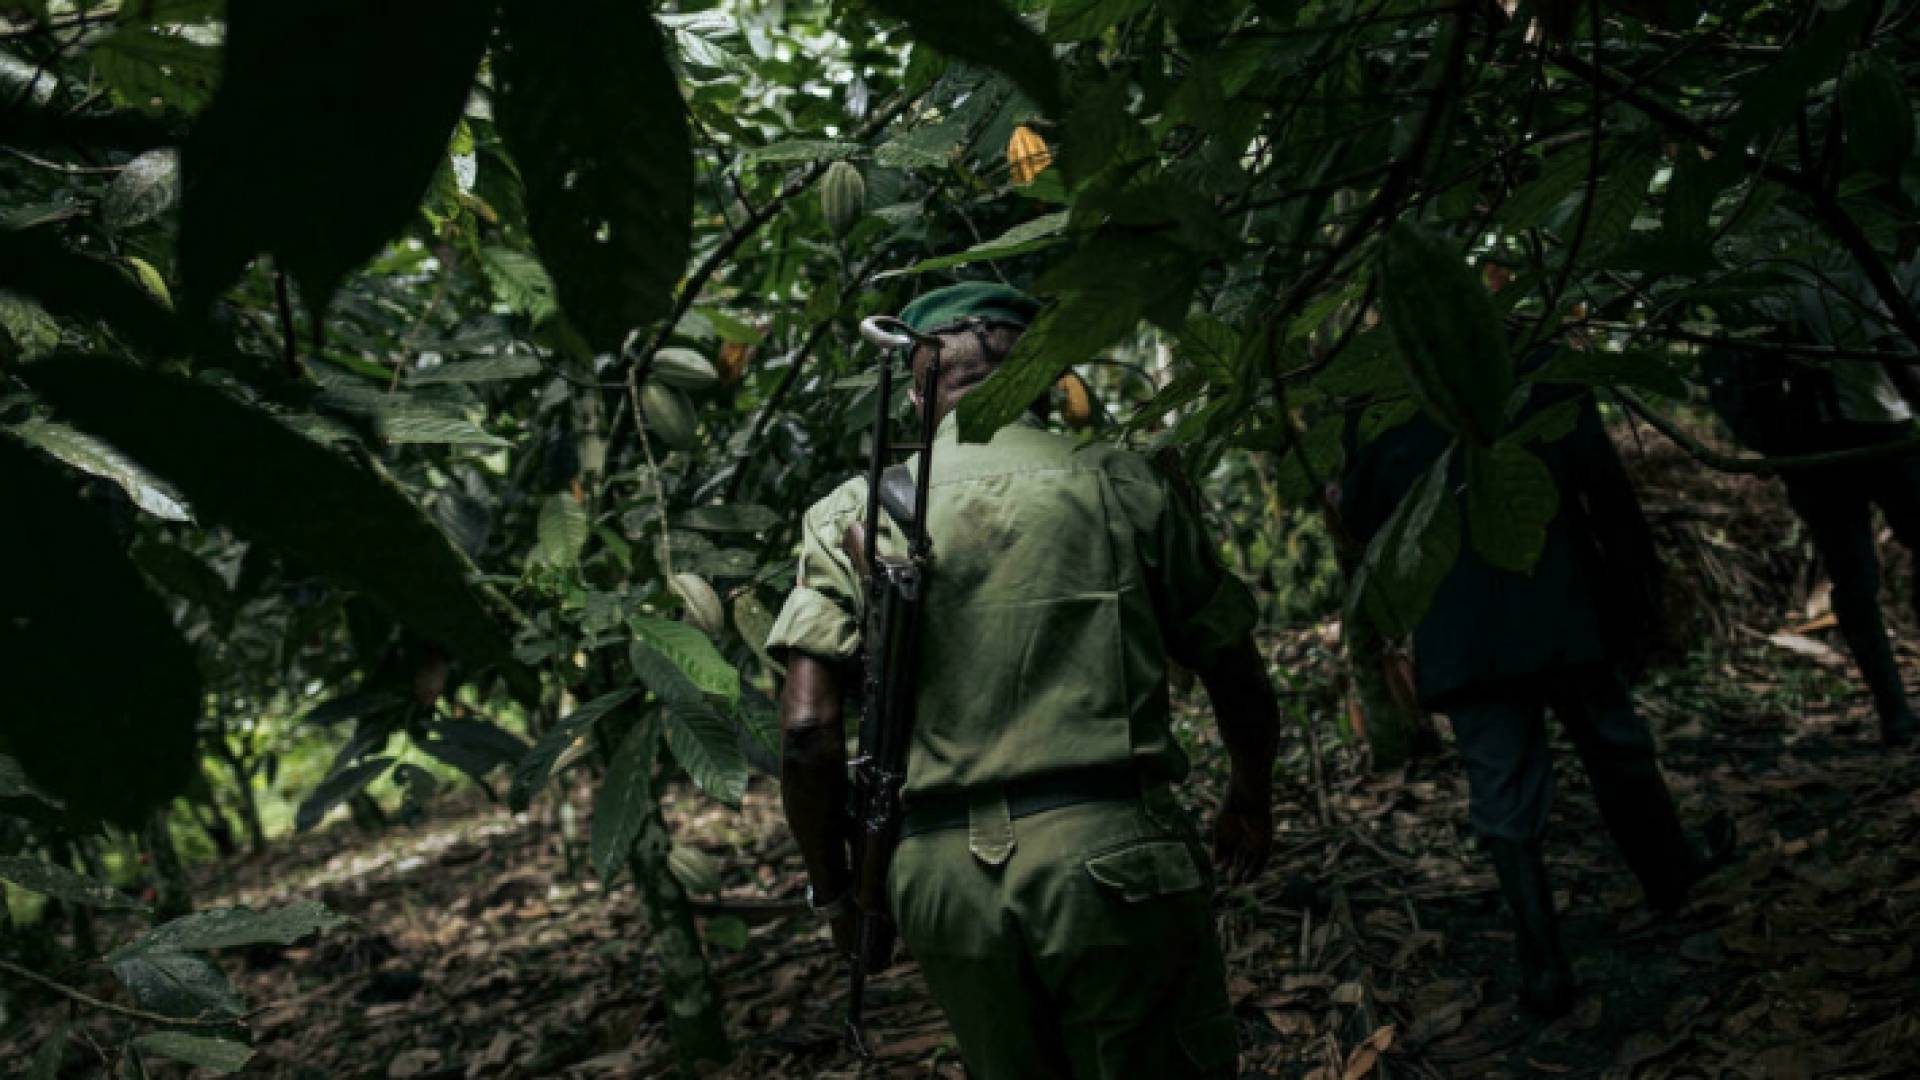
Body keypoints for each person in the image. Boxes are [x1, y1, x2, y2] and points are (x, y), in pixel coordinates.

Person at [767, 282, 1281, 1078]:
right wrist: (1249, 795)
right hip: (1115, 858)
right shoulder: (1124, 481)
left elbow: (807, 732)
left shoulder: (852, 514)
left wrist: (839, 896)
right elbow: (1233, 667)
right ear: (1044, 375)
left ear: (916, 387)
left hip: (943, 885)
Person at [1339, 383, 1735, 1019]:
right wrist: (1638, 595)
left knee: (1507, 786)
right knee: (1613, 743)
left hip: (1469, 628)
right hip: (1557, 604)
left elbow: (1361, 519)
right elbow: (1607, 492)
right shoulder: (1530, 362)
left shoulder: (1380, 400)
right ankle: (1668, 878)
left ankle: (1546, 963)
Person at [1703, 271, 1920, 748]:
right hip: (1842, 440)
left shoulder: (1804, 266)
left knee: (1854, 579)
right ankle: (1894, 713)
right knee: (1855, 579)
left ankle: (1895, 714)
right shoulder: (1801, 268)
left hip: (1849, 438)